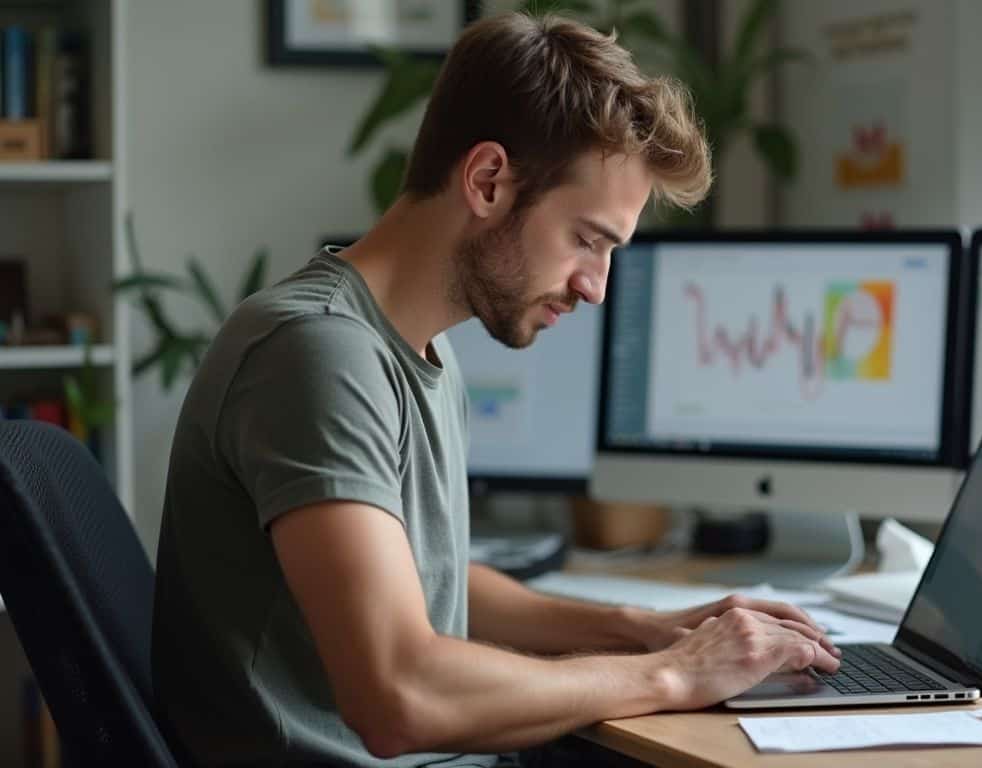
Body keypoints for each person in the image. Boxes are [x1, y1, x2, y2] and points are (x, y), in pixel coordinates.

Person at [151, 11, 839, 768]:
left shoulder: (412, 348)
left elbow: (429, 585)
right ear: (487, 181)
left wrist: (640, 627)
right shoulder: (316, 354)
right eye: (586, 239)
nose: (596, 287)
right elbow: (398, 695)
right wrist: (674, 672)